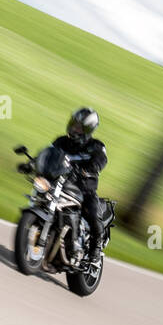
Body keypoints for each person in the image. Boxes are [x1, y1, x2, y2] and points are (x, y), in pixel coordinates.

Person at [51, 107, 108, 264]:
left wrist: (91, 168)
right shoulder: (61, 141)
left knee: (92, 211)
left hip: (84, 190)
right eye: (73, 124)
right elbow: (50, 153)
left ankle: (96, 247)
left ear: (87, 129)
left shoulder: (96, 146)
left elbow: (101, 160)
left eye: (78, 126)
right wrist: (36, 162)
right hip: (60, 184)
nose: (74, 128)